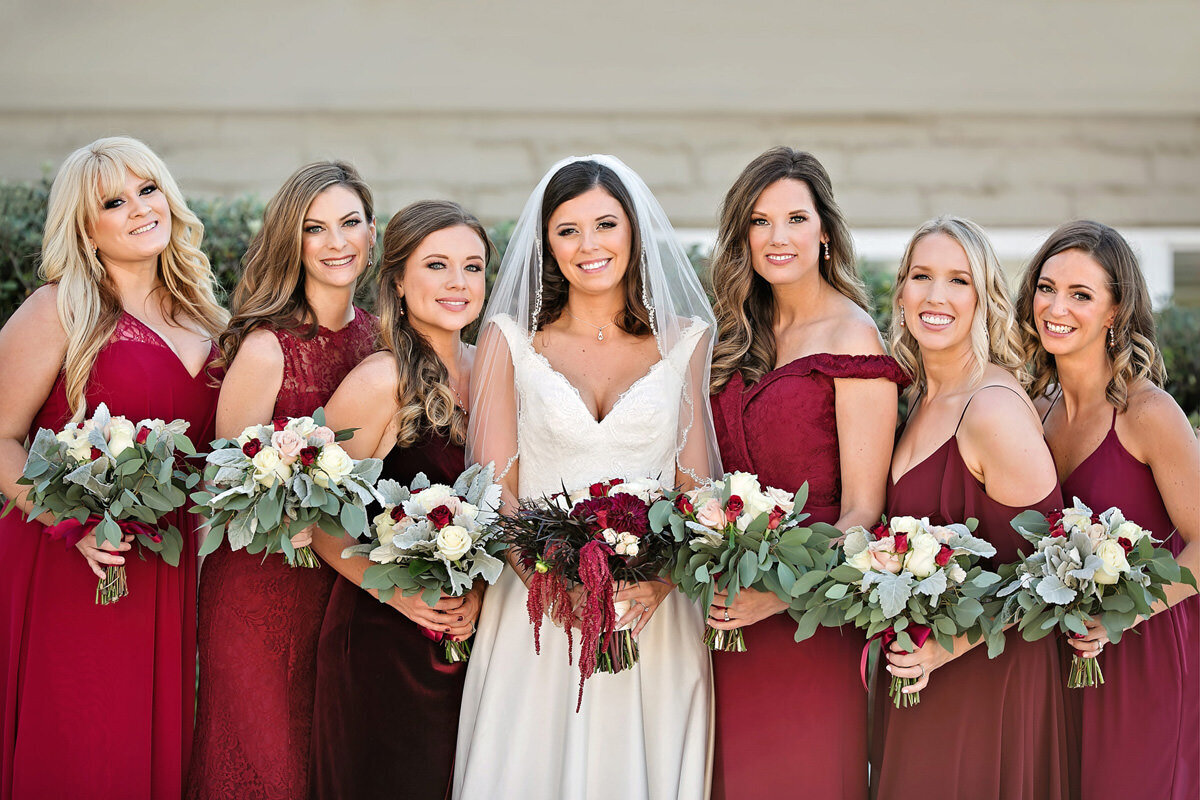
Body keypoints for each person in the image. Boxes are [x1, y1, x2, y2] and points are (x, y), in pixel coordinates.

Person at [454, 156, 722, 799]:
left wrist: (658, 581)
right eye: (568, 230)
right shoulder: (509, 338)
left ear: (633, 230)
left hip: (650, 613)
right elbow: (494, 488)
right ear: (546, 244)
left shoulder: (686, 340)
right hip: (537, 608)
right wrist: (553, 586)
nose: (589, 245)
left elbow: (696, 489)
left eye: (606, 224)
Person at [0, 136, 226, 799]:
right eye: (114, 201)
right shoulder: (59, 311)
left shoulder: (211, 320)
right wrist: (69, 521)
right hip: (72, 565)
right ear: (84, 225)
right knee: (82, 749)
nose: (139, 209)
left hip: (167, 566)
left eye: (148, 190)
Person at [706, 147, 905, 800]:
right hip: (721, 614)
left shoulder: (853, 338)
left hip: (810, 618)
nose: (778, 237)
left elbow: (863, 513)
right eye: (760, 222)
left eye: (796, 218)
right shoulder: (731, 335)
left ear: (825, 232)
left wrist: (779, 595)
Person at [187, 161, 378, 800]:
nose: (337, 242)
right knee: (263, 759)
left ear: (372, 234)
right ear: (291, 243)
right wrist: (291, 496)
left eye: (350, 223)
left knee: (326, 764)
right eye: (315, 229)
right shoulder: (267, 348)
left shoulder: (382, 342)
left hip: (346, 589)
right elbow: (222, 489)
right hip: (260, 591)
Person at [871, 217, 1068, 800]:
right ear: (901, 292)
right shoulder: (916, 398)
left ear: (984, 300)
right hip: (922, 671)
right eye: (921, 276)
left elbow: (1050, 566)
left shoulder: (993, 408)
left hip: (989, 677)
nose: (936, 296)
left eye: (958, 281)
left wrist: (946, 647)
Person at [308, 200, 491, 800]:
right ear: (397, 281)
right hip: (385, 640)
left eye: (473, 266)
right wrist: (404, 594)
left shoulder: (494, 377)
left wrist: (483, 593)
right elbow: (316, 517)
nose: (458, 283)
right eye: (437, 265)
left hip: (474, 638)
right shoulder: (380, 379)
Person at [1016, 220, 1198, 800]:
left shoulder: (1148, 412)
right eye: (1047, 288)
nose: (1056, 307)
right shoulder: (1032, 412)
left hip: (1142, 657)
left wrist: (1124, 613)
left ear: (1116, 311)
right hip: (1056, 657)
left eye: (1081, 295)